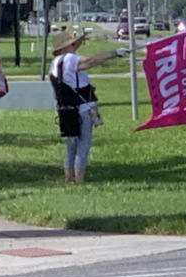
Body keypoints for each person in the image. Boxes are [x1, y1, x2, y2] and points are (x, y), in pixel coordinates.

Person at [49, 31, 127, 184]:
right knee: (83, 144)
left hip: (66, 109)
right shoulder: (70, 59)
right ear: (64, 48)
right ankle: (79, 180)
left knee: (71, 145)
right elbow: (90, 61)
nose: (74, 47)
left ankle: (68, 178)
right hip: (83, 108)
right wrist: (114, 53)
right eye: (71, 44)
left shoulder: (54, 64)